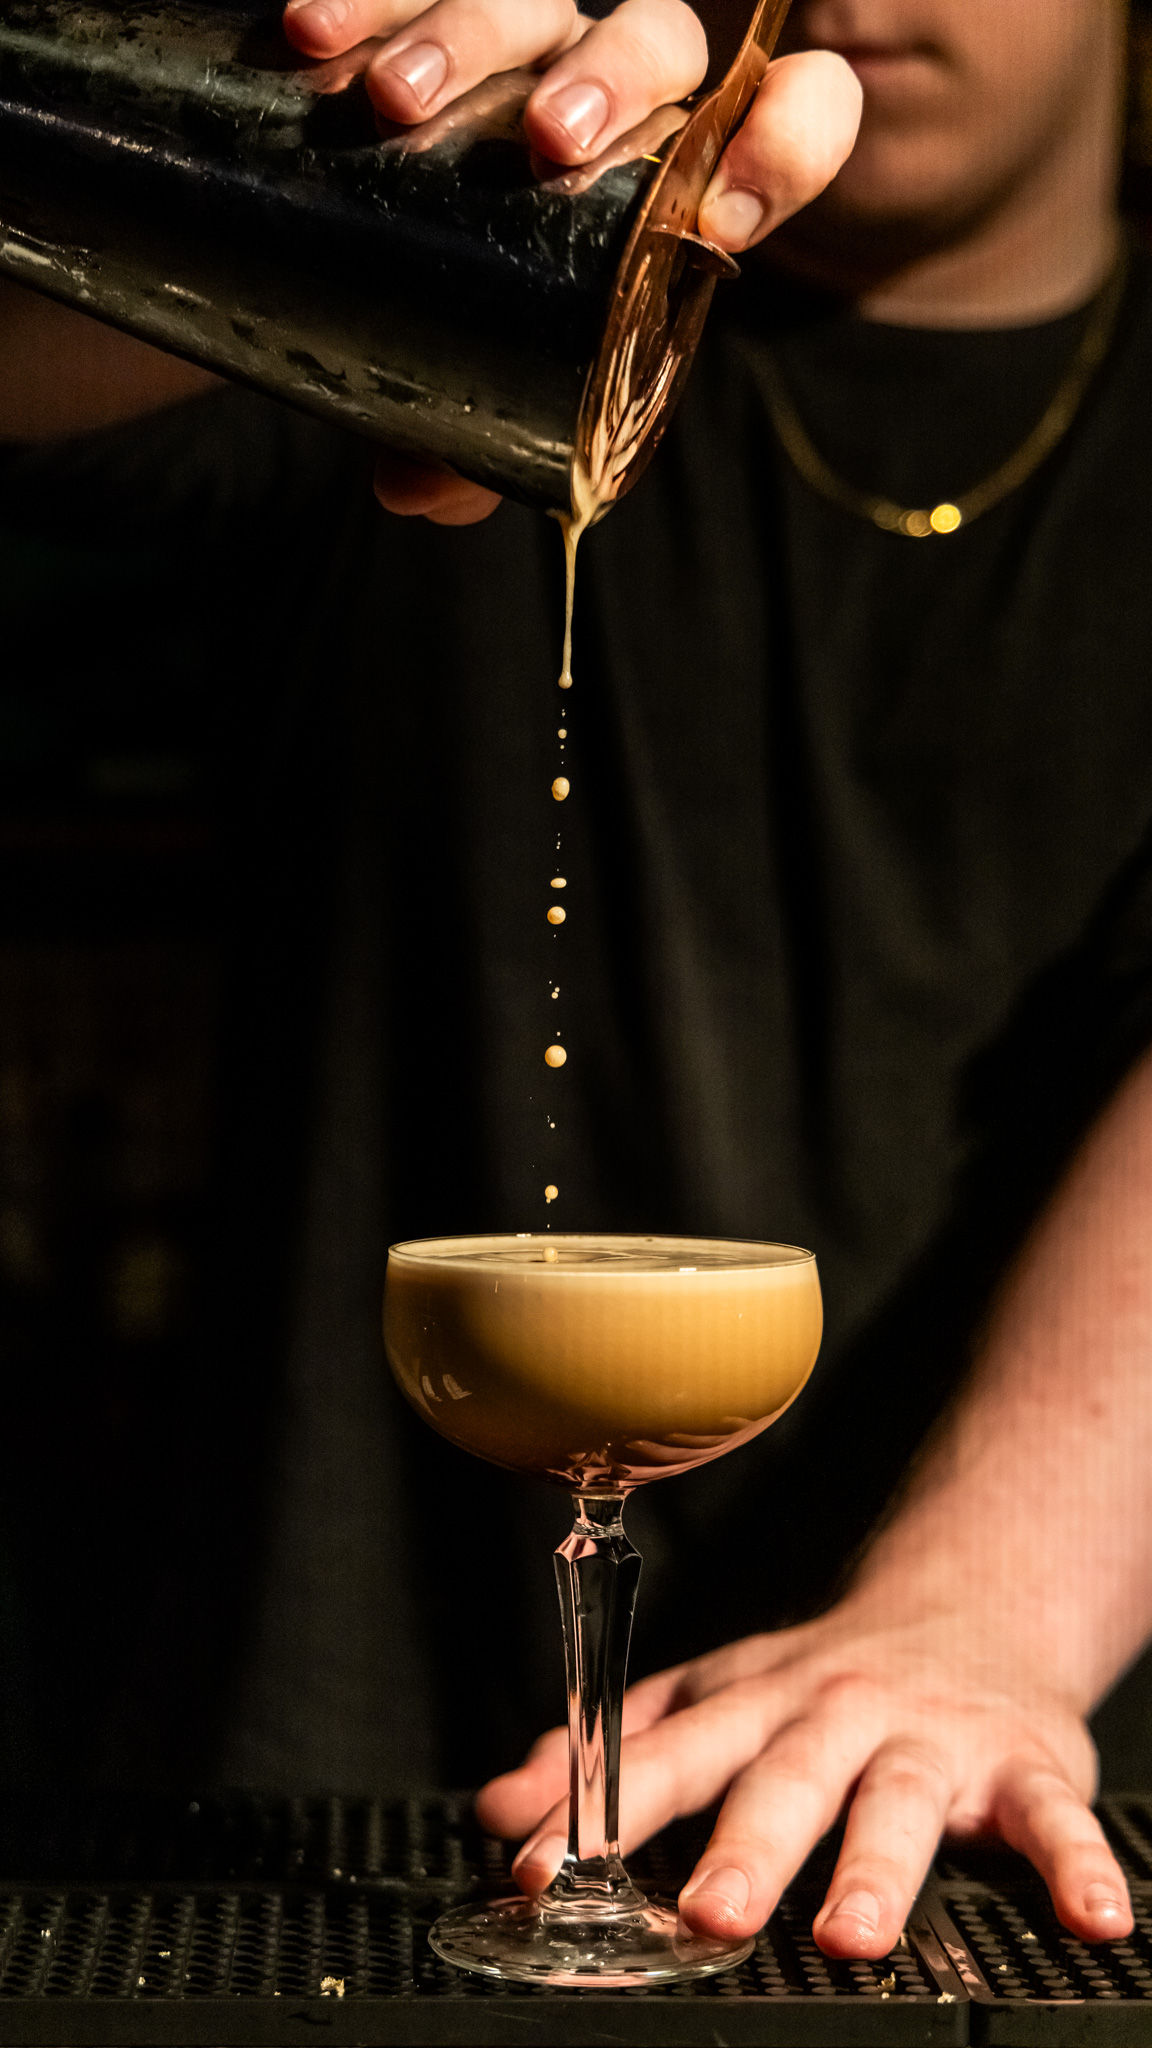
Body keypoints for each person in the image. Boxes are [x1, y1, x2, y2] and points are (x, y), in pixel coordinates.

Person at [0, 0, 1148, 1966]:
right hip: (301, 1827)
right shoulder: (437, 315)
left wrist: (990, 1602)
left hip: (983, 1817)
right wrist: (322, 141)